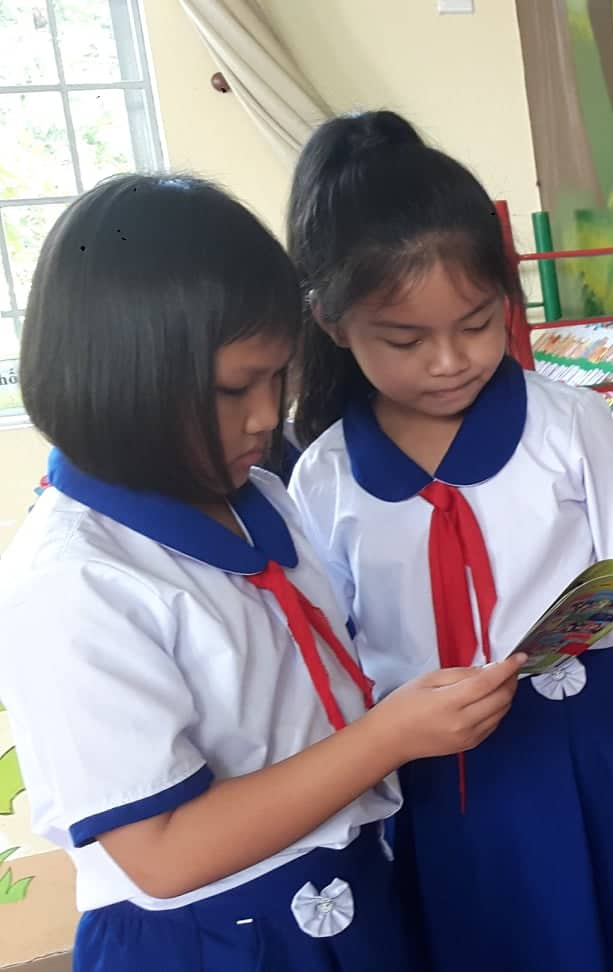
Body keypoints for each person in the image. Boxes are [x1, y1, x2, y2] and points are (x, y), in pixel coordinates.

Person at [285, 111, 613, 971]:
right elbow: (333, 662)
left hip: (602, 743)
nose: (449, 361)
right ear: (332, 323)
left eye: (476, 324)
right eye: (404, 340)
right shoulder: (323, 478)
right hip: (444, 775)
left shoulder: (569, 422)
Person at [0, 175, 522, 971]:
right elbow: (163, 851)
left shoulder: (260, 497)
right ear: (118, 376)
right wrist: (388, 737)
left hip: (352, 889)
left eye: (278, 377)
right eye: (233, 388)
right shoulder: (74, 581)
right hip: (214, 940)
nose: (264, 416)